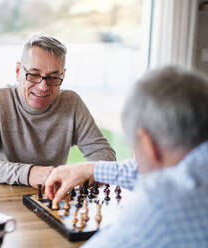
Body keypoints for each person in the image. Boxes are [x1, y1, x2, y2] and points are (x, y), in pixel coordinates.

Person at [45, 66, 208, 247]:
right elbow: (171, 171)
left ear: (146, 144)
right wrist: (90, 169)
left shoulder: (162, 205)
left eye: (135, 150)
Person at [0, 34, 116, 188]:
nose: (43, 86)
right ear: (18, 71)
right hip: (4, 200)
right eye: (34, 74)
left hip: (51, 199)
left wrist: (79, 174)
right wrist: (29, 174)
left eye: (53, 77)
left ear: (63, 75)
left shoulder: (71, 103)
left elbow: (106, 156)